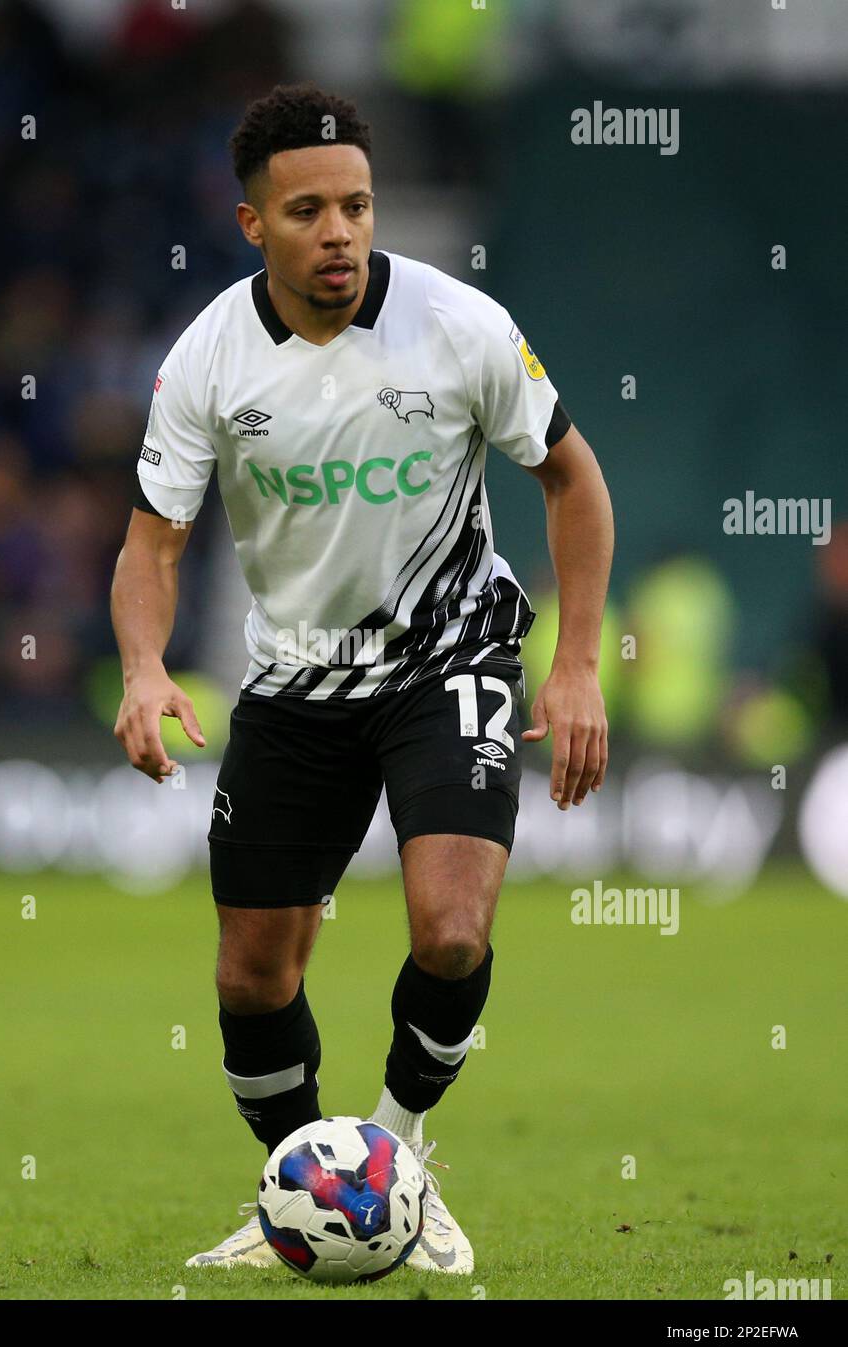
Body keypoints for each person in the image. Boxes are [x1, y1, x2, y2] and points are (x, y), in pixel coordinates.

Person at [110, 82, 613, 1274]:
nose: (339, 232)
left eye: (357, 206)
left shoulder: (461, 326)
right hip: (293, 684)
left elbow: (573, 481)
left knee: (449, 932)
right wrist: (140, 667)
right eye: (307, 212)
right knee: (251, 974)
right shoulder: (207, 361)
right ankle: (301, 1190)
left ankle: (398, 1158)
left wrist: (579, 664)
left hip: (450, 659)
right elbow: (152, 544)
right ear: (253, 225)